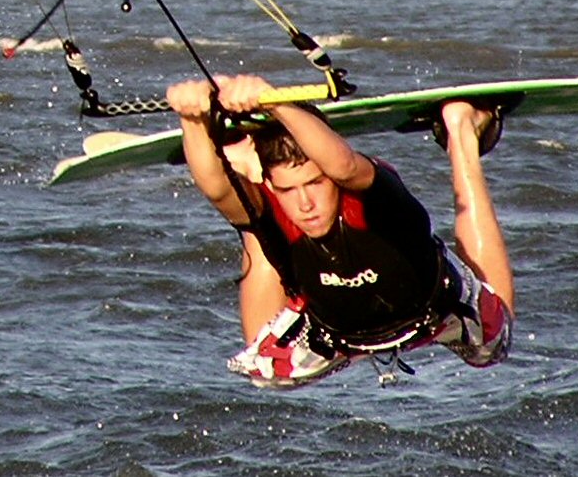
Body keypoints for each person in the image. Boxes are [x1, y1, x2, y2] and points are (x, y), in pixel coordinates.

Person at [166, 73, 514, 387]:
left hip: (437, 311)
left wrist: (275, 102)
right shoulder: (277, 203)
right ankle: (245, 164)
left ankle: (462, 132)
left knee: (492, 349)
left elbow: (344, 165)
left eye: (315, 183)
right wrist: (192, 120)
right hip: (336, 334)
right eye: (288, 189)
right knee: (265, 374)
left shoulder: (368, 194)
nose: (306, 204)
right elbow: (216, 190)